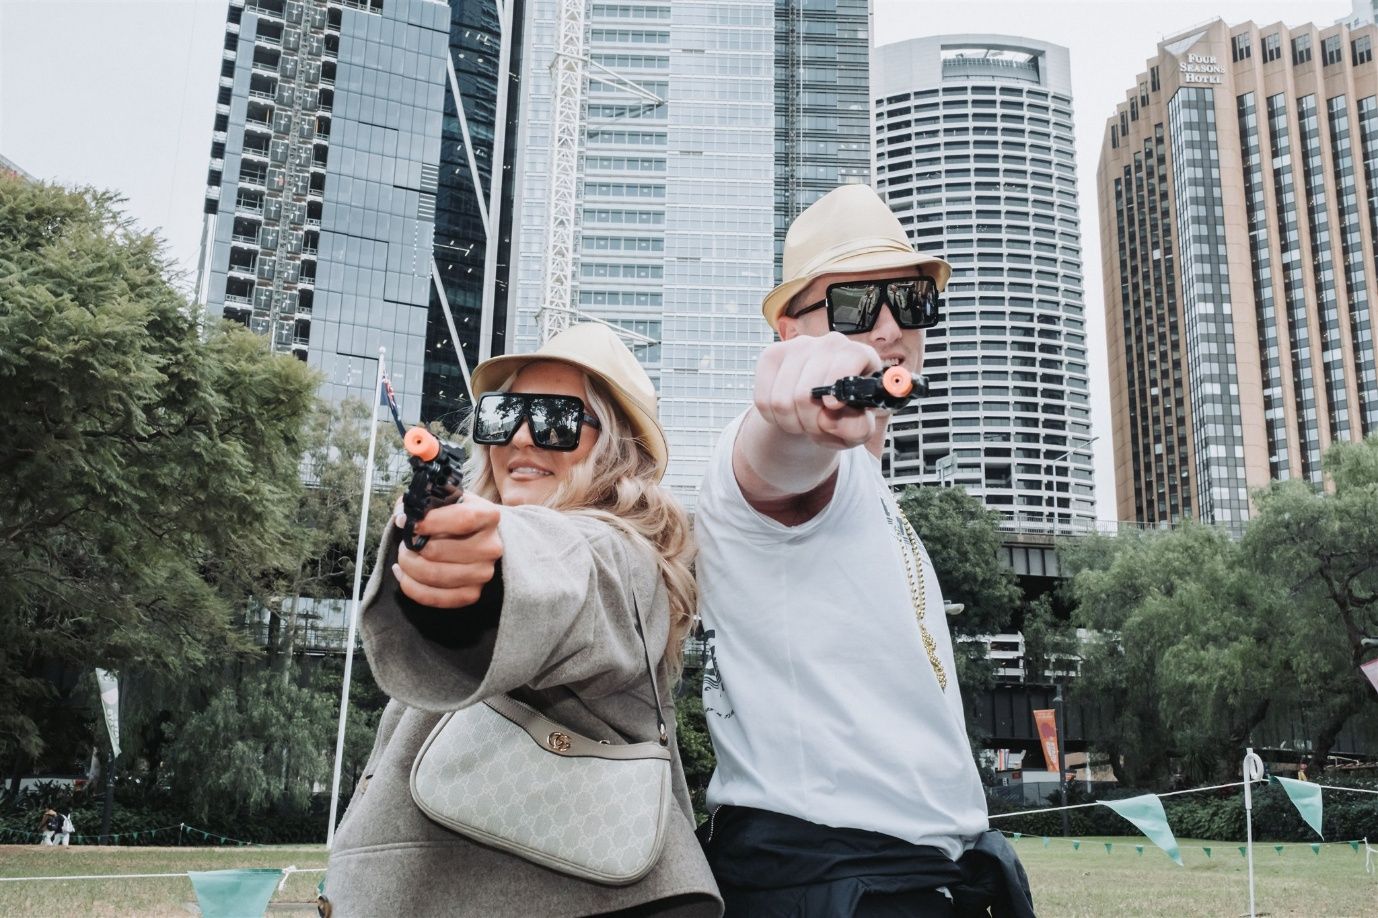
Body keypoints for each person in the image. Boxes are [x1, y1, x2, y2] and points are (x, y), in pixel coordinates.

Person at [694, 185, 1035, 917]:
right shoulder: (771, 462)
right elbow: (775, 458)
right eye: (851, 305)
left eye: (909, 301)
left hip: (907, 880)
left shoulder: (868, 483)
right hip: (833, 879)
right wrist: (791, 416)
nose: (887, 326)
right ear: (788, 330)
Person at [325, 324, 721, 917]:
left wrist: (484, 581)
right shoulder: (492, 518)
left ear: (615, 448)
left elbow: (567, 567)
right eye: (504, 414)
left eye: (559, 419)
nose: (524, 437)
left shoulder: (627, 556)